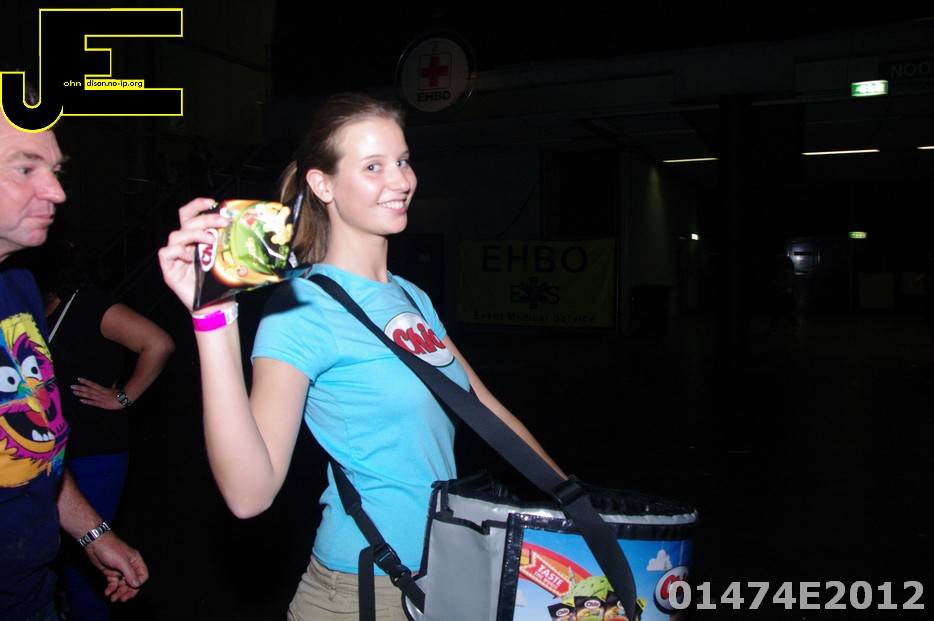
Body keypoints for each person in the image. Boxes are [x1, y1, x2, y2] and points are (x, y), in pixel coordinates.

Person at [157, 92, 564, 620]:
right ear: (322, 184)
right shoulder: (302, 309)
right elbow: (248, 494)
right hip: (363, 589)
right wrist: (212, 317)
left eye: (403, 161)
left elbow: (485, 409)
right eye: (373, 166)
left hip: (447, 573)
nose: (400, 180)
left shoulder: (411, 295)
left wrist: (573, 500)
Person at [1, 87, 148, 620]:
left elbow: (30, 451)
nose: (56, 191)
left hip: (31, 592)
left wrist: (93, 533)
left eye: (56, 170)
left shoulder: (18, 287)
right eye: (26, 168)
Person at [19, 236, 174, 621]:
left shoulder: (87, 305)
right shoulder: (25, 310)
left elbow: (158, 343)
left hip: (94, 453)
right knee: (54, 559)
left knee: (84, 570)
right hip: (45, 456)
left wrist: (123, 397)